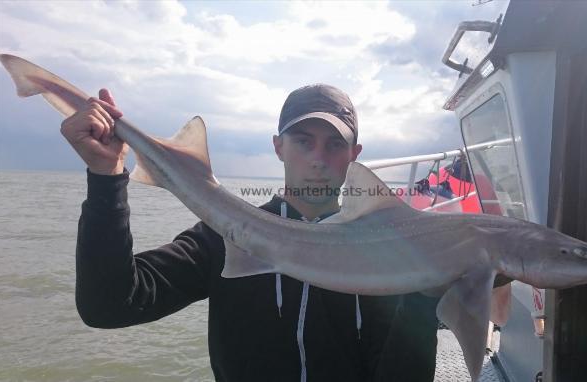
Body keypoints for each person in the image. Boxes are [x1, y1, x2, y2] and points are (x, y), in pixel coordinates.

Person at [61, 84, 439, 381]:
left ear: (354, 154)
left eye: (334, 144)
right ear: (278, 147)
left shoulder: (383, 254)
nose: (319, 158)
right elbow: (108, 306)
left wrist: (423, 303)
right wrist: (106, 178)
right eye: (303, 141)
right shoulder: (225, 236)